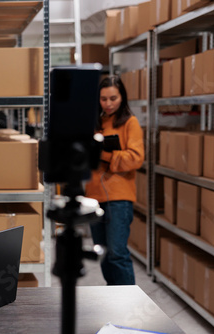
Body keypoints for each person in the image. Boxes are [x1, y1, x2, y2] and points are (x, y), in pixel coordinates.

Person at [85, 75, 145, 286]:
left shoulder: (130, 122)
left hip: (119, 198)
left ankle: (128, 303)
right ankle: (113, 299)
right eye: (103, 99)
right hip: (93, 196)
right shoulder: (96, 123)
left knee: (118, 253)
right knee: (104, 254)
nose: (108, 104)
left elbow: (136, 158)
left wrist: (105, 155)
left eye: (113, 98)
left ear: (122, 98)